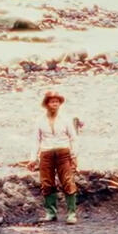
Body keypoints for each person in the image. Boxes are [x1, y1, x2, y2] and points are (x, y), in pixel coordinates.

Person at [28, 91, 79, 224]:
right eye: (52, 102)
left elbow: (73, 138)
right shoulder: (39, 120)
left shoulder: (66, 119)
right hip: (46, 154)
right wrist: (33, 158)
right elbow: (35, 140)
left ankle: (71, 214)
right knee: (47, 183)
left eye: (57, 102)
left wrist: (74, 155)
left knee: (68, 181)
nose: (54, 104)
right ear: (46, 104)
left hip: (63, 153)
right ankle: (51, 213)